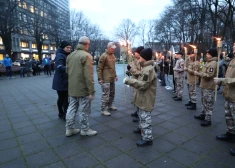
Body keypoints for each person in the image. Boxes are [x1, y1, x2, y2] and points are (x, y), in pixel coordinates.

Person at [124, 48, 156, 147]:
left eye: (141, 56)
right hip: (143, 97)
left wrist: (129, 81)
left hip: (146, 98)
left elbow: (143, 85)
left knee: (145, 118)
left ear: (144, 58)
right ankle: (143, 131)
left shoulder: (148, 69)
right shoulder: (146, 68)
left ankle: (147, 138)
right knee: (142, 116)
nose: (139, 58)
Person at [65, 36, 97, 137]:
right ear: (87, 44)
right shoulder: (86, 56)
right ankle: (85, 129)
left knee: (71, 108)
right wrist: (91, 91)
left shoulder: (70, 55)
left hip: (72, 87)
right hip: (83, 88)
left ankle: (69, 128)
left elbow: (67, 71)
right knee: (84, 109)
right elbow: (89, 76)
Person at [214, 52, 235, 156]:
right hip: (228, 95)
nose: (234, 46)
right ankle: (230, 134)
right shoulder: (232, 60)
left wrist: (222, 80)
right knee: (229, 117)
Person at [194, 48, 218, 126]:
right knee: (204, 101)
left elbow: (209, 75)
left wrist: (198, 74)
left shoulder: (213, 63)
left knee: (208, 102)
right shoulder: (208, 62)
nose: (206, 55)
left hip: (209, 86)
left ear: (212, 55)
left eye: (208, 54)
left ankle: (208, 119)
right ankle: (203, 114)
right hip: (204, 85)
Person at [97, 42, 118, 116]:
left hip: (111, 78)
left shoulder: (113, 55)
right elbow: (99, 68)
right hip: (105, 78)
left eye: (114, 48)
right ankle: (103, 109)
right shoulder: (104, 56)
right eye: (112, 48)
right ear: (109, 48)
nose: (113, 50)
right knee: (106, 94)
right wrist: (100, 78)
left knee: (112, 93)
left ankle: (110, 105)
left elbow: (113, 67)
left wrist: (115, 75)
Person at [52, 41, 72, 120]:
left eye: (70, 48)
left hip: (65, 80)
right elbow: (59, 67)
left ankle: (62, 113)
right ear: (63, 47)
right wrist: (71, 68)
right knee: (63, 98)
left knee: (63, 98)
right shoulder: (60, 55)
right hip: (61, 81)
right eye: (67, 47)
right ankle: (64, 113)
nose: (69, 49)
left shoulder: (67, 54)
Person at [129, 46, 144, 122]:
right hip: (136, 82)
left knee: (139, 99)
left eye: (136, 52)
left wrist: (131, 69)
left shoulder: (141, 62)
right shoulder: (136, 60)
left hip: (139, 82)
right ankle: (137, 111)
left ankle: (139, 115)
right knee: (136, 98)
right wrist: (129, 71)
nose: (135, 53)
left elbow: (140, 73)